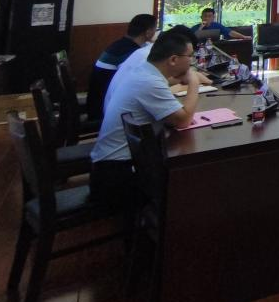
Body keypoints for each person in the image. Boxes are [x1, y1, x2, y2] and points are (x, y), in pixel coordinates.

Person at [89, 29, 209, 209]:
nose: (192, 61)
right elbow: (183, 120)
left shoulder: (145, 72)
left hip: (111, 166)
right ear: (173, 59)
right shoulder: (149, 82)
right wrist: (194, 81)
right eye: (190, 56)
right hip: (116, 176)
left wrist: (182, 79)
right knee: (191, 179)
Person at [86, 13, 157, 122]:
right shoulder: (132, 53)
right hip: (104, 110)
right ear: (148, 33)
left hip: (96, 102)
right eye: (155, 29)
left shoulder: (120, 45)